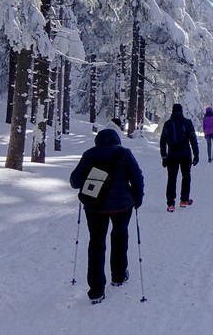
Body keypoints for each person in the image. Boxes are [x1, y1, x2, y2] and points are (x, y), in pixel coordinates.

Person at [69, 128, 144, 305]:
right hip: (122, 205)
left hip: (94, 206)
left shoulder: (89, 154)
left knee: (96, 242)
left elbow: (75, 181)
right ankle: (118, 275)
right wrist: (138, 198)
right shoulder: (124, 153)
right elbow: (137, 177)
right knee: (120, 235)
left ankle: (96, 290)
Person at [159, 103, 199, 212]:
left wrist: (164, 156)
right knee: (186, 176)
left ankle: (171, 203)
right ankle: (184, 199)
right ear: (181, 111)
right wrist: (196, 154)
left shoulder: (167, 124)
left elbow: (163, 141)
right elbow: (193, 139)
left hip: (172, 155)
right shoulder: (187, 122)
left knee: (171, 178)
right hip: (185, 154)